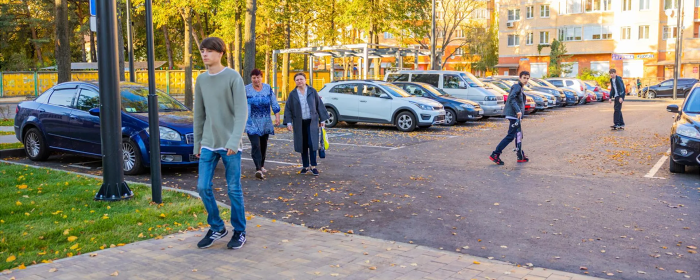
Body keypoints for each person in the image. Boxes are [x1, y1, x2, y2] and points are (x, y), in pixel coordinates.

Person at [193, 37, 249, 250]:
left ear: (220, 53)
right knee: (202, 186)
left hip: (230, 143)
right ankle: (217, 227)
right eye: (202, 50)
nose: (204, 54)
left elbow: (242, 112)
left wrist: (234, 140)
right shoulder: (201, 80)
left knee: (234, 189)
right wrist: (197, 143)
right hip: (208, 142)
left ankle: (240, 231)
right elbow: (199, 114)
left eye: (208, 50)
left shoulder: (233, 77)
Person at [284, 72, 329, 176]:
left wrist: (322, 120)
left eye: (301, 79)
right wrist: (289, 122)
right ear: (295, 82)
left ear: (305, 80)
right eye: (297, 80)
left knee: (312, 143)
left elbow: (319, 105)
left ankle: (313, 166)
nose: (299, 81)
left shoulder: (312, 91)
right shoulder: (293, 94)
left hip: (312, 122)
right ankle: (305, 166)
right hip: (299, 123)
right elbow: (288, 109)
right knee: (303, 144)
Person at [245, 68, 281, 180]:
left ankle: (262, 164)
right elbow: (239, 103)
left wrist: (277, 116)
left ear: (261, 77)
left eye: (258, 77)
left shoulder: (267, 88)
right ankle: (258, 169)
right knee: (256, 144)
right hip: (251, 122)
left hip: (265, 121)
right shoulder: (246, 89)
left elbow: (274, 102)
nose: (256, 80)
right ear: (251, 78)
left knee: (263, 144)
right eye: (254, 78)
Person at [489, 71, 529, 165]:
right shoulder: (517, 86)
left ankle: (520, 155)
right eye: (524, 78)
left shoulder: (520, 87)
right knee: (511, 136)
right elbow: (511, 98)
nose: (526, 80)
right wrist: (518, 111)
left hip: (515, 115)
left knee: (518, 134)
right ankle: (495, 154)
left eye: (527, 78)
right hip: (514, 115)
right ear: (520, 78)